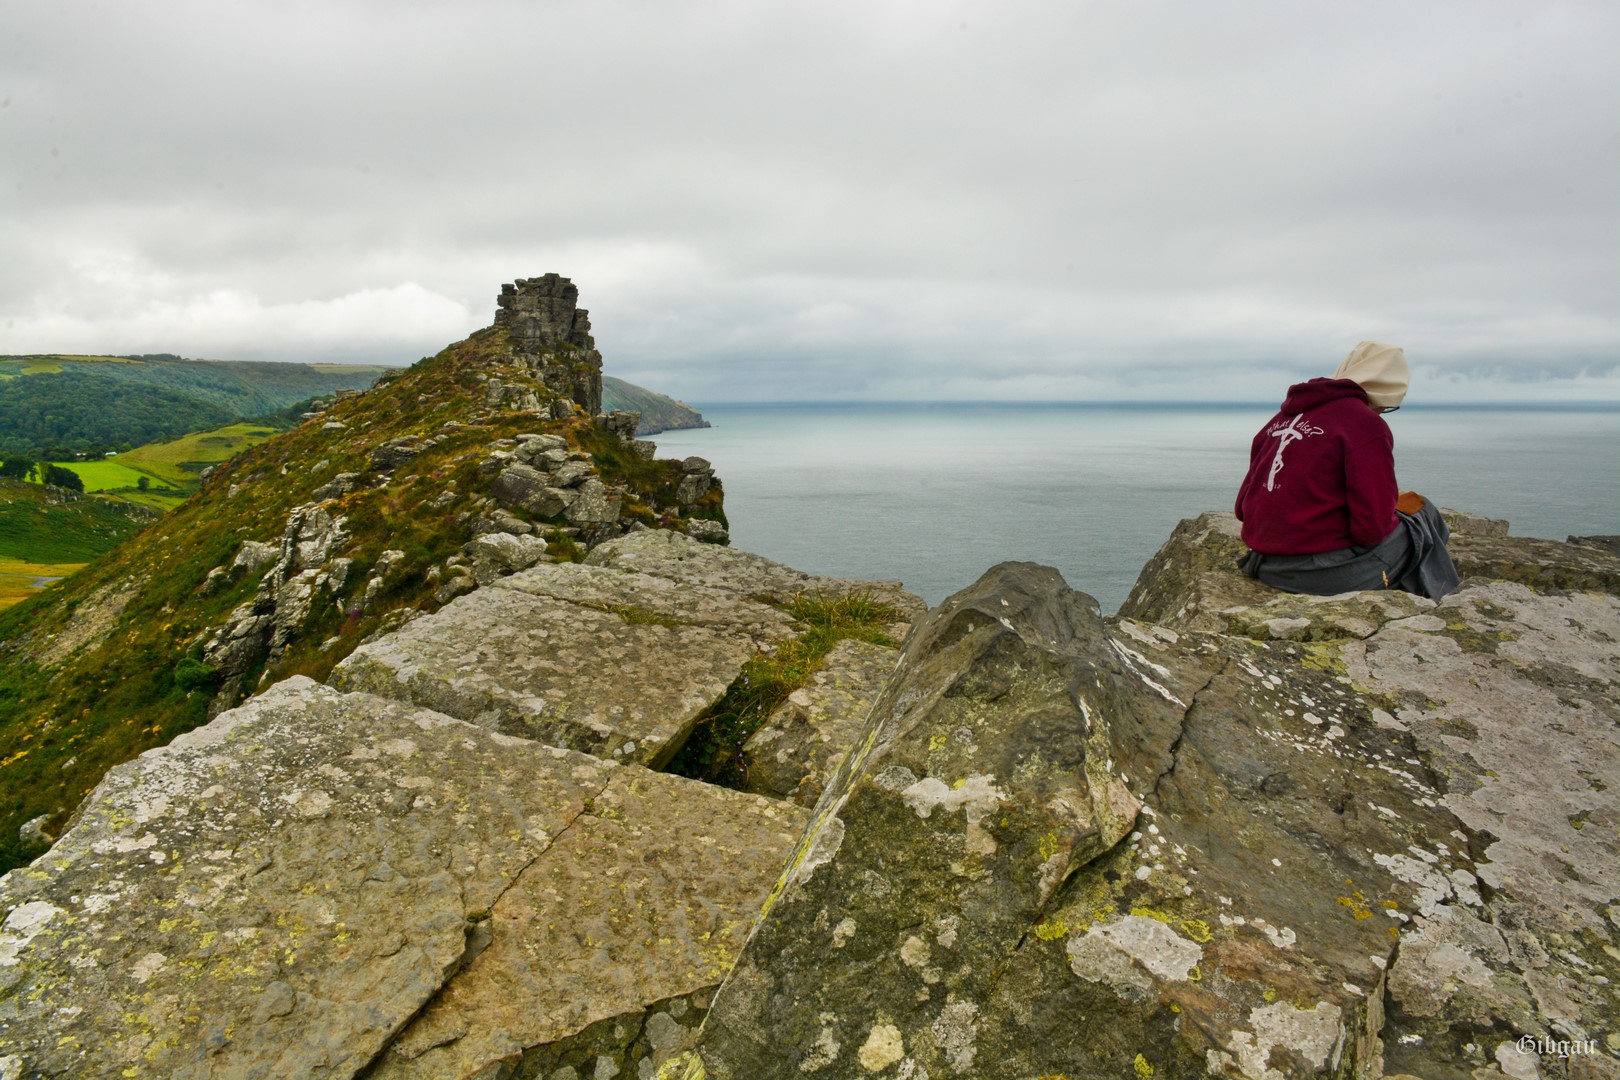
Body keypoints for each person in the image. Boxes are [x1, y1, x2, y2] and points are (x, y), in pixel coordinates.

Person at [1234, 341, 1460, 599]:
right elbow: (1371, 530)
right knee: (1423, 515)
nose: (1383, 412)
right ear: (1385, 395)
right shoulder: (1365, 424)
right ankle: (1445, 599)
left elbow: (1242, 508)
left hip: (1264, 565)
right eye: (1388, 405)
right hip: (1320, 576)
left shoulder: (1279, 420)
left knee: (1405, 510)